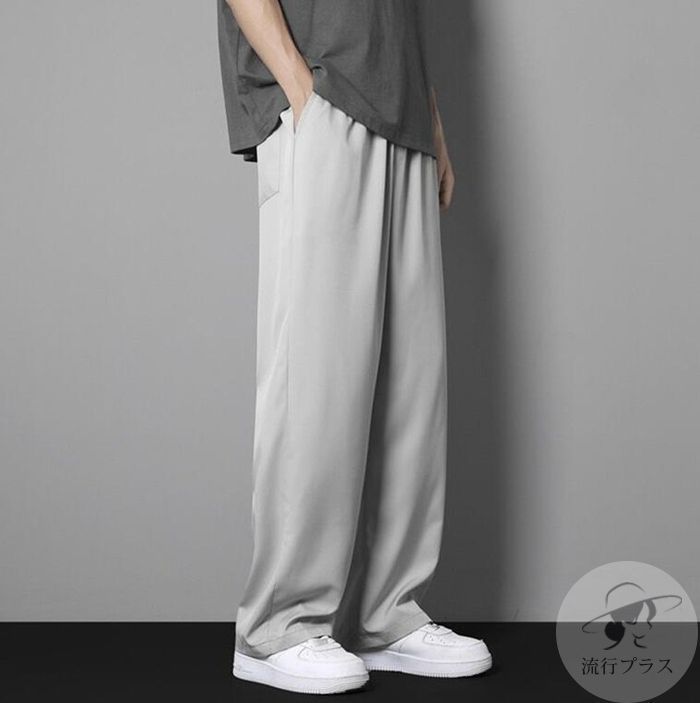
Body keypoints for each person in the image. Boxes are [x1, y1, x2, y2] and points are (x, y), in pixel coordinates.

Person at [217, 0, 492, 694]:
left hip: (402, 109)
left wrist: (430, 118)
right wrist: (298, 88)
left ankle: (387, 615)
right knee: (318, 372)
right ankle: (277, 626)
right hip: (325, 92)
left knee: (409, 382)